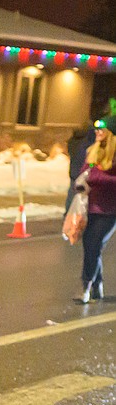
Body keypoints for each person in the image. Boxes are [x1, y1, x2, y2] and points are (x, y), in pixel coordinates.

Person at [75, 116, 116, 304]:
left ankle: (86, 286)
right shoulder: (93, 151)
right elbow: (84, 172)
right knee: (91, 247)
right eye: (96, 129)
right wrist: (82, 183)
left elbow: (98, 177)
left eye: (102, 130)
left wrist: (96, 177)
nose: (97, 133)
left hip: (109, 211)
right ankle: (97, 284)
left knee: (92, 244)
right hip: (90, 207)